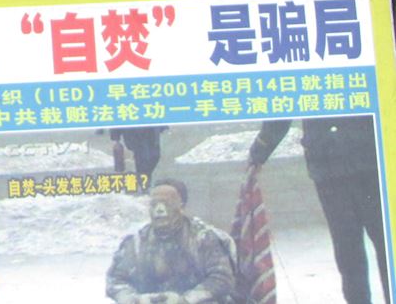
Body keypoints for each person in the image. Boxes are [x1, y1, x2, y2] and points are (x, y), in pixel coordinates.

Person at [249, 116, 390, 304]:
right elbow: (285, 107)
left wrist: (259, 150)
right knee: (356, 247)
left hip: (354, 161)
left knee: (364, 246)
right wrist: (260, 150)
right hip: (342, 162)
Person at [106, 178, 237, 304]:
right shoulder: (135, 242)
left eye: (167, 203)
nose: (159, 210)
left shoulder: (205, 238)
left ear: (181, 206)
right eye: (154, 204)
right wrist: (135, 300)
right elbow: (116, 280)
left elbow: (222, 278)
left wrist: (186, 300)